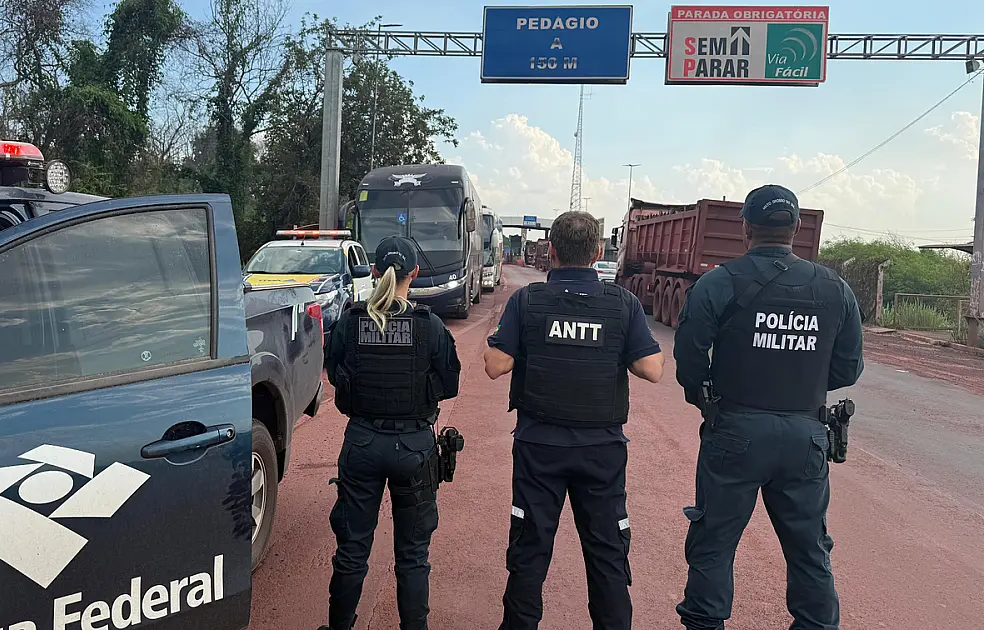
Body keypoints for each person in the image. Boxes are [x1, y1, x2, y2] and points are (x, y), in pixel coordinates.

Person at [673, 184, 864, 630]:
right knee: (809, 549)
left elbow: (689, 364)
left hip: (735, 430)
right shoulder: (835, 288)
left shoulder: (719, 282)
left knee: (714, 543)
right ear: (796, 228)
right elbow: (847, 370)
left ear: (746, 229)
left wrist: (712, 396)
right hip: (806, 437)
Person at [483, 211, 665, 630]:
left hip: (538, 449)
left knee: (529, 553)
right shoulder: (623, 304)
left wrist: (503, 334)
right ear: (598, 252)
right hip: (601, 452)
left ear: (551, 251)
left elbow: (495, 365)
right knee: (607, 557)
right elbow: (652, 369)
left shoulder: (527, 301)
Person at [321, 235, 462, 630]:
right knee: (414, 555)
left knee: (351, 551)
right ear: (414, 274)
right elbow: (449, 384)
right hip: (415, 448)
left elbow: (335, 375)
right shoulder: (430, 326)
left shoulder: (350, 321)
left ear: (375, 272)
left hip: (362, 443)